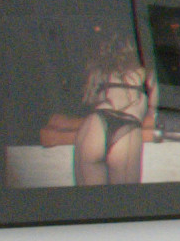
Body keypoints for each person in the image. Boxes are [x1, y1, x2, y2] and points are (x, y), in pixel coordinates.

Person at [32, 24, 156, 184]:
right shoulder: (148, 72)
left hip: (95, 124)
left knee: (90, 197)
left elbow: (91, 103)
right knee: (124, 197)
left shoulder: (100, 70)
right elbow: (153, 117)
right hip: (128, 126)